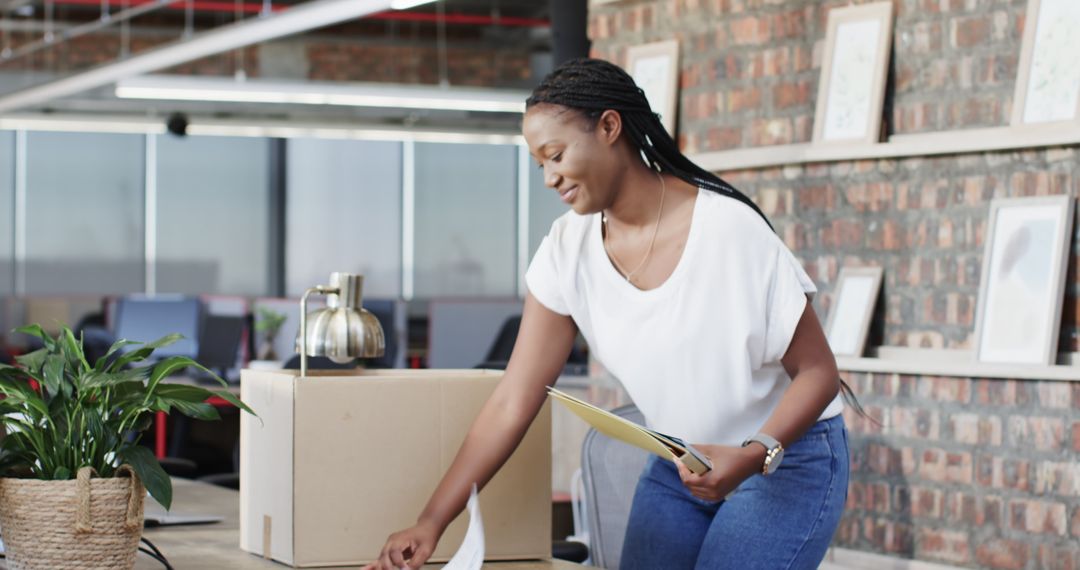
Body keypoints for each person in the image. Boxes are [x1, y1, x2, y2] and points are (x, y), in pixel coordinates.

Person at [364, 58, 850, 570]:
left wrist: (753, 454)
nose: (549, 178)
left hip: (783, 460)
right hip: (681, 463)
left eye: (556, 155)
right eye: (540, 164)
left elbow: (820, 374)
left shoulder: (729, 232)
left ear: (609, 127)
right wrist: (432, 522)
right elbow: (514, 398)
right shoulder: (565, 250)